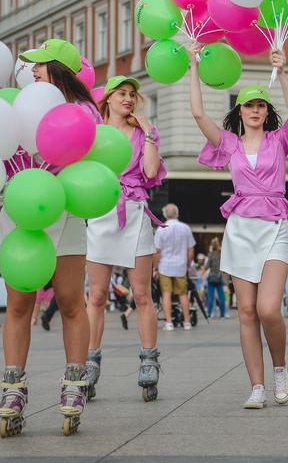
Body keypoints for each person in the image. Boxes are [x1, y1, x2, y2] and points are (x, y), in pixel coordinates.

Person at [0, 40, 99, 436]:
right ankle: (12, 388)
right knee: (18, 304)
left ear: (60, 69)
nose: (32, 71)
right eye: (32, 66)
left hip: (66, 209)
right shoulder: (19, 106)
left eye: (40, 65)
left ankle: (74, 384)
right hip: (20, 209)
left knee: (71, 302)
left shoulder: (83, 111)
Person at [190, 42, 288, 409]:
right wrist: (194, 64)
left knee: (268, 309)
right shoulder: (229, 144)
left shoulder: (279, 140)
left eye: (261, 105)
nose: (256, 110)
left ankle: (280, 368)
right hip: (241, 230)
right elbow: (197, 114)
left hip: (275, 228)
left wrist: (284, 71)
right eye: (249, 105)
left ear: (265, 111)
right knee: (245, 311)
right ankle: (257, 386)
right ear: (239, 111)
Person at [83, 74, 166, 403]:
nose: (128, 99)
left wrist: (147, 133)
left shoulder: (144, 132)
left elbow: (149, 172)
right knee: (98, 296)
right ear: (109, 99)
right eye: (122, 93)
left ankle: (149, 361)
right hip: (102, 210)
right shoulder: (94, 134)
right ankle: (90, 362)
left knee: (142, 293)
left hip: (134, 211)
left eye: (132, 94)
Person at [153, 203, 195, 332]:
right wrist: (188, 265)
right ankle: (187, 322)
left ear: (165, 214)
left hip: (165, 266)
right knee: (182, 294)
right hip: (180, 266)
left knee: (166, 294)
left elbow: (157, 252)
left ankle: (169, 322)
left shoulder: (161, 229)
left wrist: (155, 268)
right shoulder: (185, 228)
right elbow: (190, 250)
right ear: (178, 213)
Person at [206, 238, 228, 319]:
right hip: (219, 277)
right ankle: (222, 315)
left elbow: (207, 266)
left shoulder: (210, 254)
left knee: (210, 297)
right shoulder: (221, 254)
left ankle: (209, 315)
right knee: (221, 296)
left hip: (211, 278)